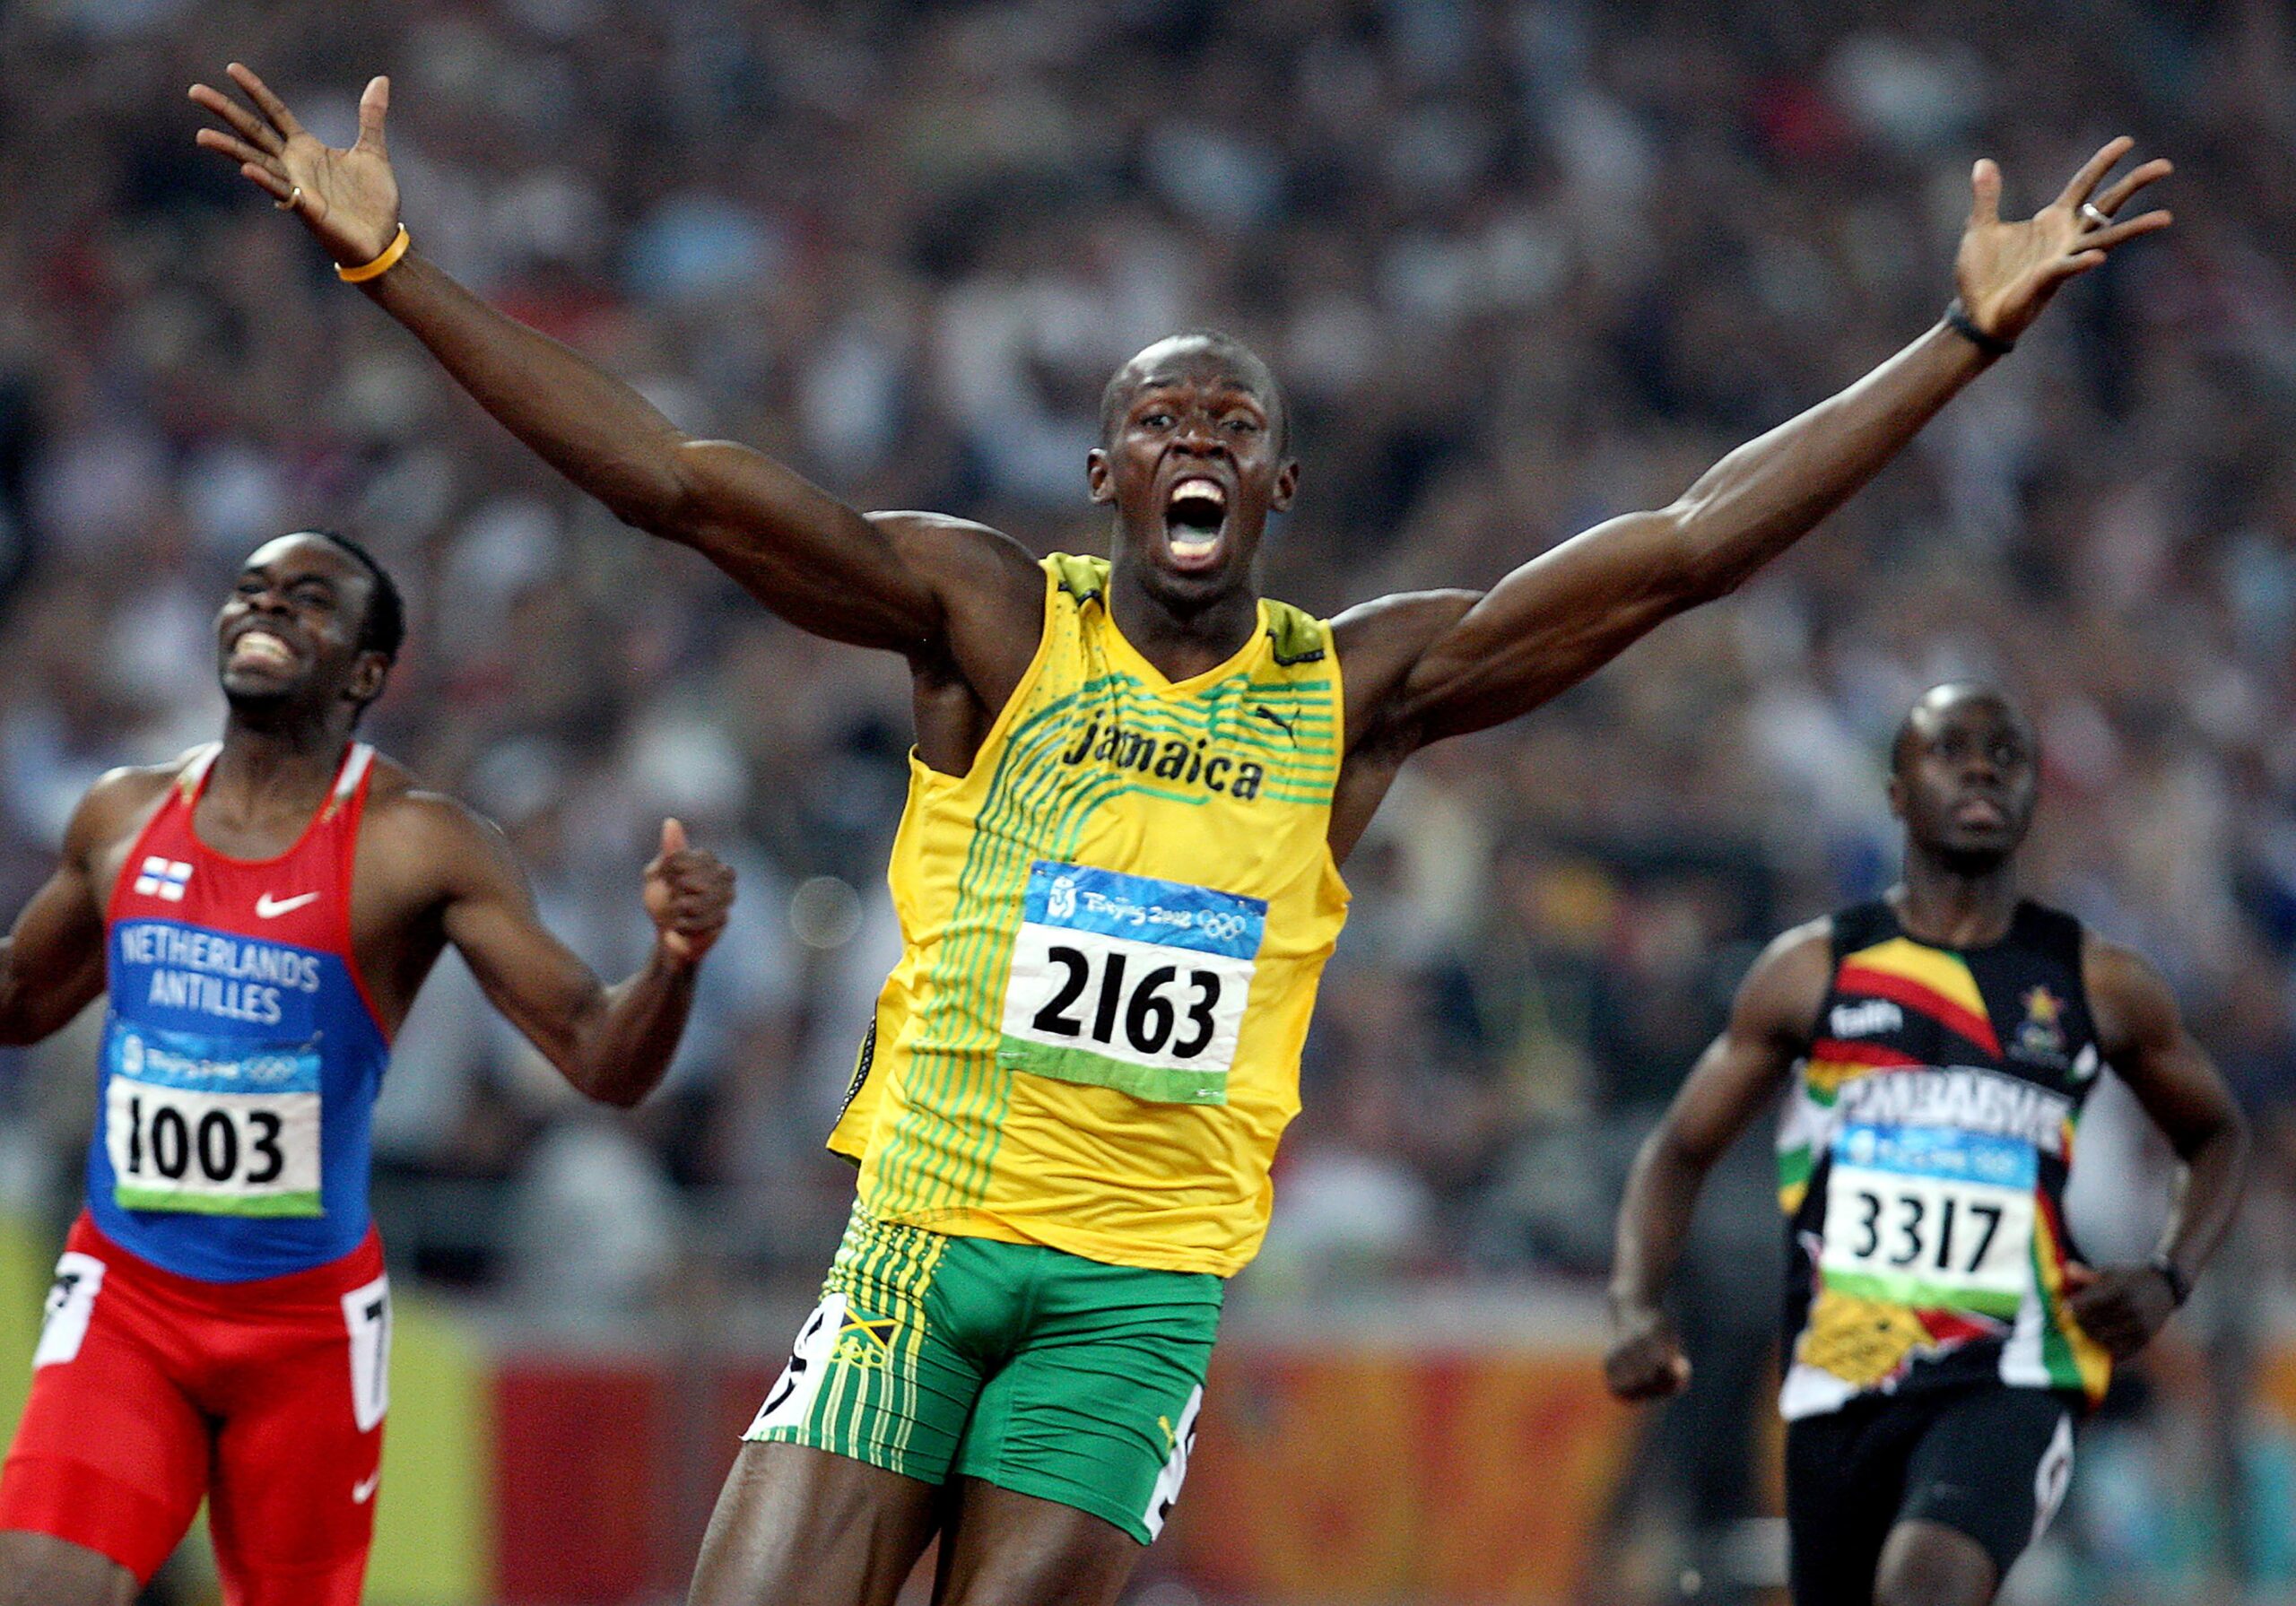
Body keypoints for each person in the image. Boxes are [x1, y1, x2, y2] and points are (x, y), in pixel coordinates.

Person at [191, 62, 2174, 1606]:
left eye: (1233, 423)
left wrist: (1956, 341)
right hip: (921, 1248)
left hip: (1135, 1302)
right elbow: (679, 485)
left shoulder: (1354, 689)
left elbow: (1676, 553)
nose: (1198, 438)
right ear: (1103, 474)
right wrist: (394, 267)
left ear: (1280, 484)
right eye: (1161, 418)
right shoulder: (990, 619)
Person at [0, 530, 736, 1606]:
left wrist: (672, 962)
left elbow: (599, 1056)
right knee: (37, 1585)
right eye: (251, 590)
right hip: (127, 1303)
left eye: (308, 599)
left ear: (365, 673)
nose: (266, 608)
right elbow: (19, 1003)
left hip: (303, 1337)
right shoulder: (123, 817)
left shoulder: (417, 845)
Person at [1603, 684, 2248, 1606]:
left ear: (2032, 795)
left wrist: (2168, 1273)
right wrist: (1634, 1301)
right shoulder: (1812, 972)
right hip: (1842, 1381)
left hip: (2010, 1373)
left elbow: (2217, 1132)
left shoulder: (2096, 982)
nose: (1981, 768)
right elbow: (1677, 1151)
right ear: (1897, 793)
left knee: (1926, 1586)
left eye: (2005, 755)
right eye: (1950, 751)